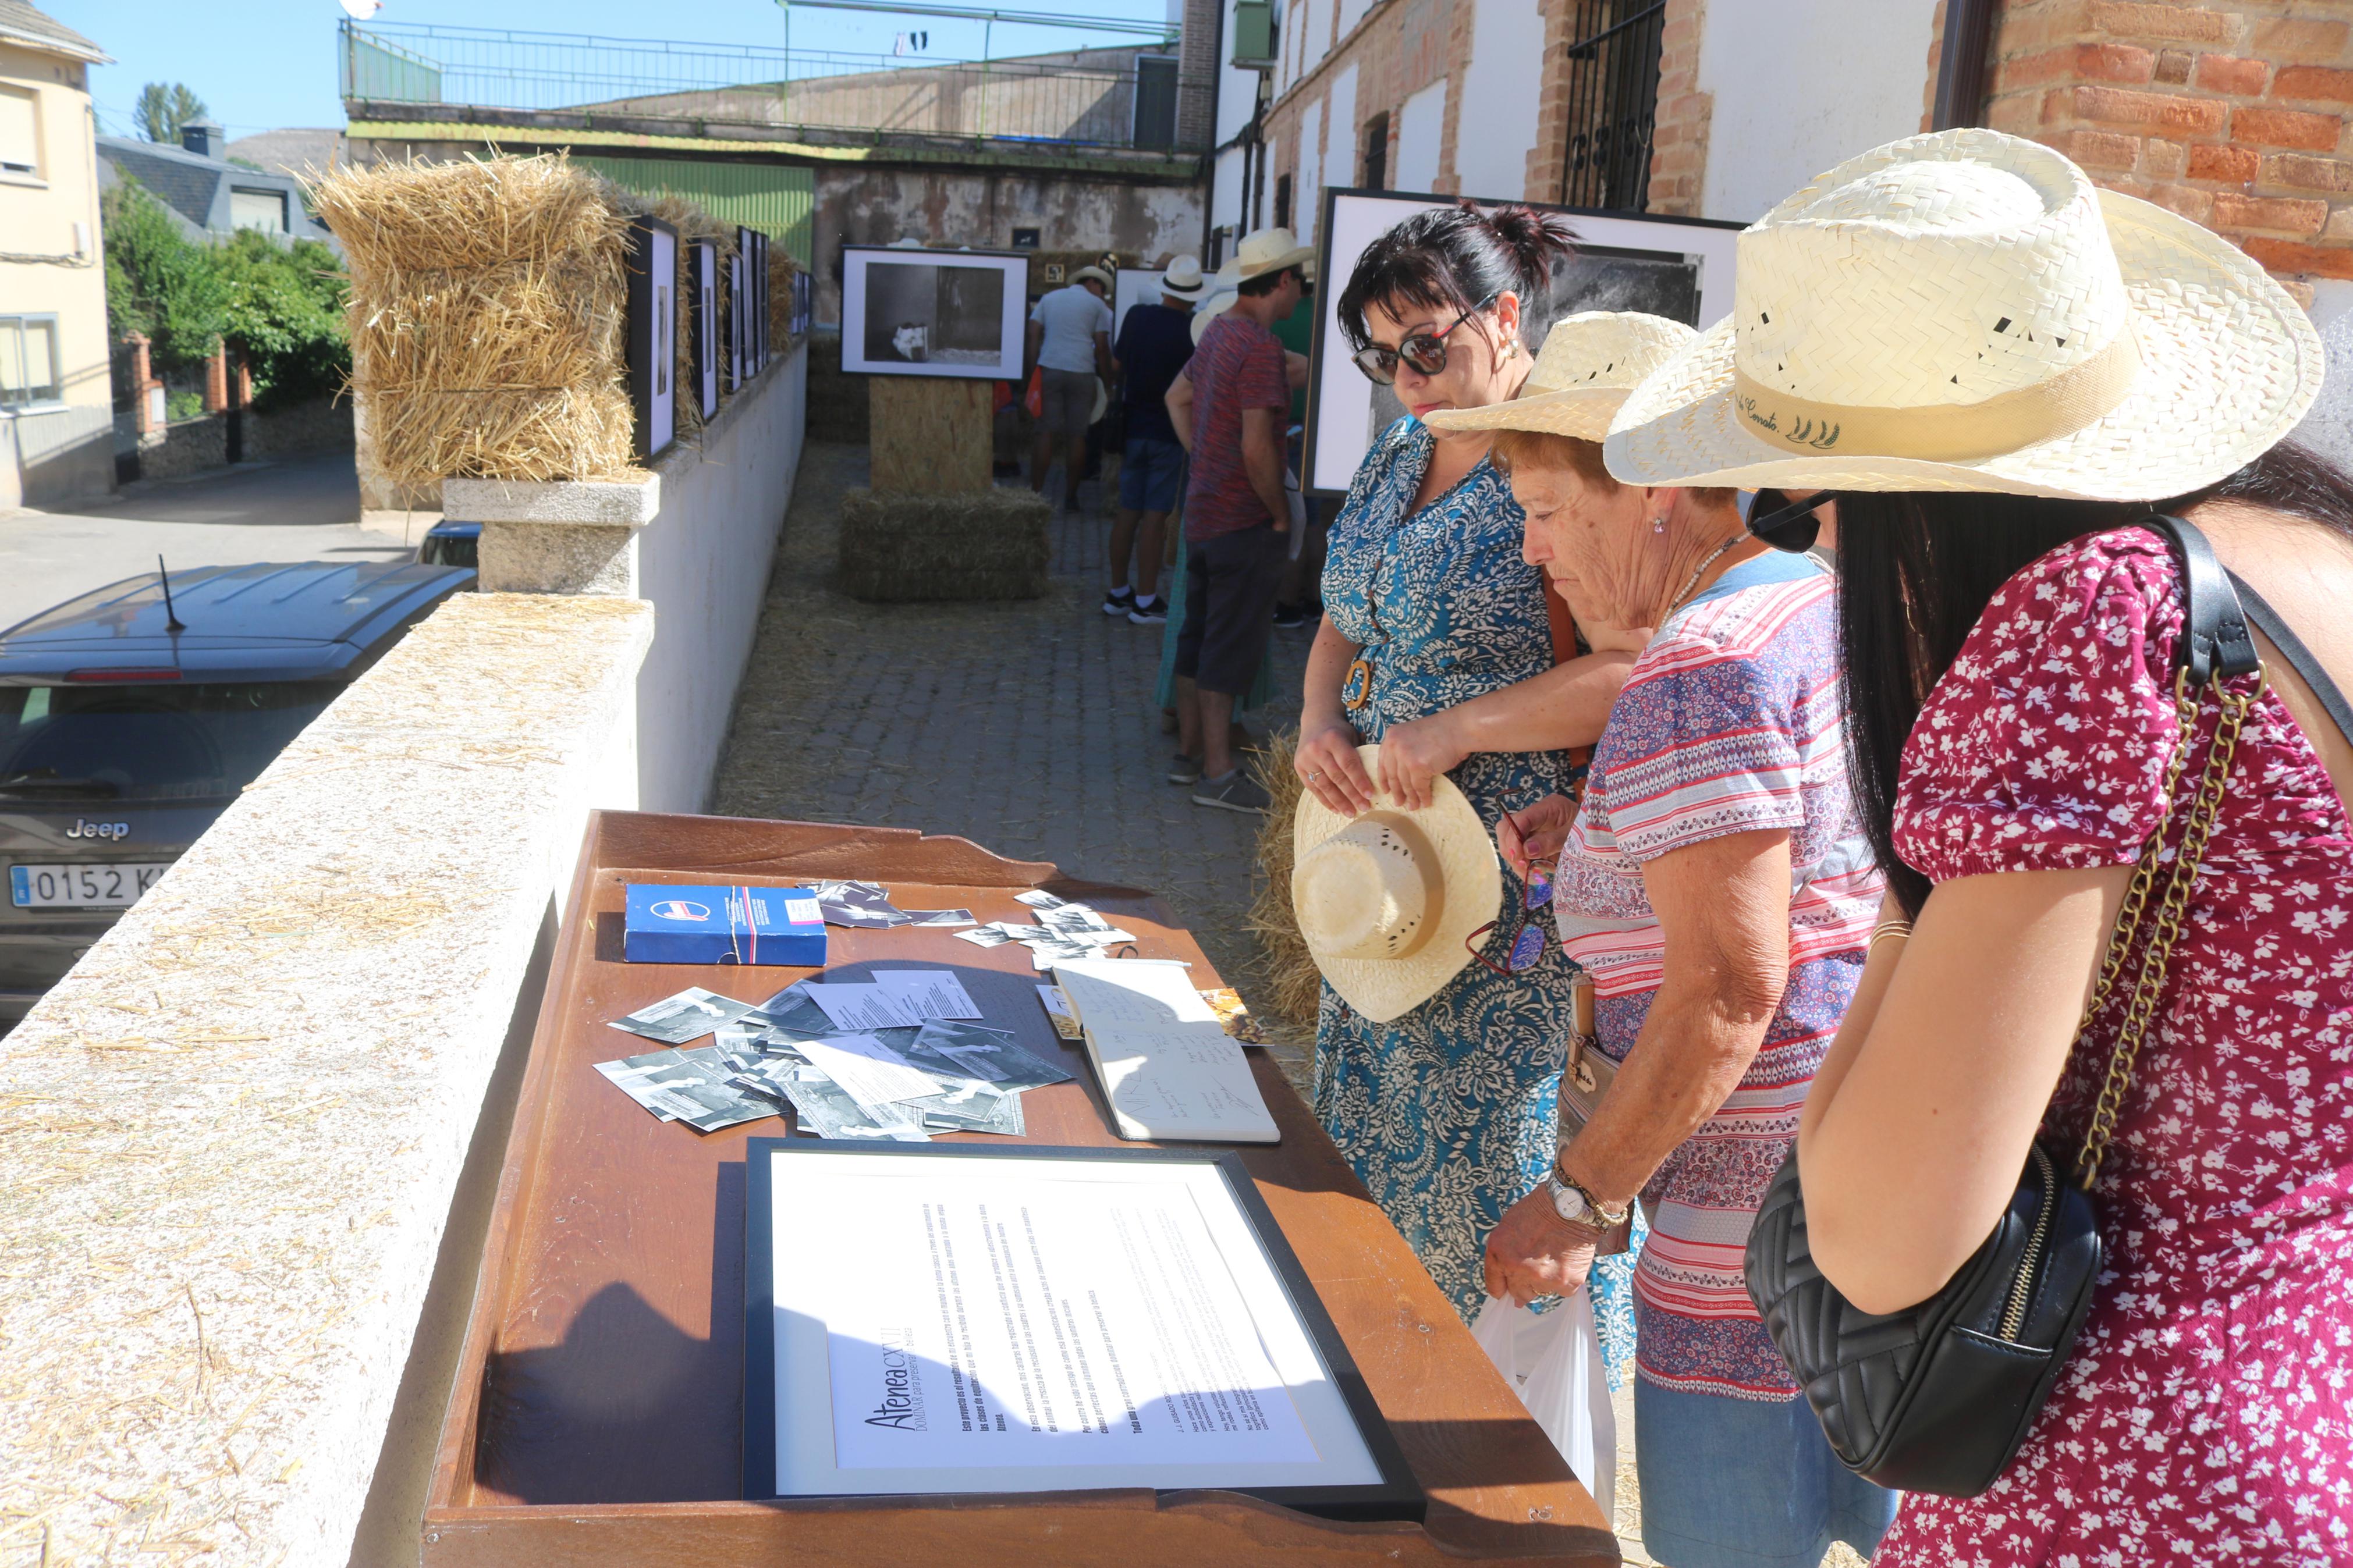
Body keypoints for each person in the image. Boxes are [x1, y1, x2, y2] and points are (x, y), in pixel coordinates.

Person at [1609, 126, 2352, 1566]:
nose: (1805, 539)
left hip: (2130, 1482)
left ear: (1910, 498)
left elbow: (1881, 1240)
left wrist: (1916, 891)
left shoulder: (2097, 619)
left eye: (1797, 498)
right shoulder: (2308, 566)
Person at [1474, 319, 1893, 1558]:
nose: (1534, 552)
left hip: (1741, 1237)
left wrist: (1572, 1200)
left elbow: (1721, 989)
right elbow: (1807, 851)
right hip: (1850, 1181)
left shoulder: (1693, 667)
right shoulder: (1801, 596)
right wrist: (1601, 833)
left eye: (1548, 509)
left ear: (1655, 490)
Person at [1300, 216, 1660, 1403]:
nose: (1403, 379)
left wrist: (1454, 729)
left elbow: (1631, 664)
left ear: (1504, 321)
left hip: (1512, 879)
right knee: (1367, 1121)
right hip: (1383, 859)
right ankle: (1380, 1395)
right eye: (1379, 356)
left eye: (1422, 346)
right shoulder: (1403, 452)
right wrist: (1316, 720)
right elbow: (1341, 615)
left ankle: (1493, 1431)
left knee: (1491, 1154)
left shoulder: (1555, 454)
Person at [1165, 228, 1312, 813]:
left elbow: (1175, 397)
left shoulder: (1221, 332)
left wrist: (1202, 457)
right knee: (1228, 645)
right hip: (1241, 521)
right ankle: (1219, 774)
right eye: (1298, 281)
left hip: (1204, 512)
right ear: (1279, 282)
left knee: (1197, 636)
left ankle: (1190, 755)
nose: (1301, 293)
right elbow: (1257, 447)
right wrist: (1278, 513)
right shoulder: (1256, 347)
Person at [1103, 255, 1206, 623]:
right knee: (1155, 517)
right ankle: (1146, 601)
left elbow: (1116, 366)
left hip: (1132, 427)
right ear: (1195, 295)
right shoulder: (1193, 332)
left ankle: (1117, 594)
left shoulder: (1136, 316)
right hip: (1169, 431)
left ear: (1165, 287)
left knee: (1127, 510)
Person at [1025, 264, 1113, 512]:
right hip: (1082, 371)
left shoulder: (1049, 298)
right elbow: (1103, 347)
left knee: (1045, 433)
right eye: (1102, 289)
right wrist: (1108, 382)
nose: (1102, 294)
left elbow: (1033, 334)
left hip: (1050, 367)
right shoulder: (1097, 306)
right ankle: (1071, 498)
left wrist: (1034, 372)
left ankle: (1035, 495)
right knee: (1078, 436)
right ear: (1093, 283)